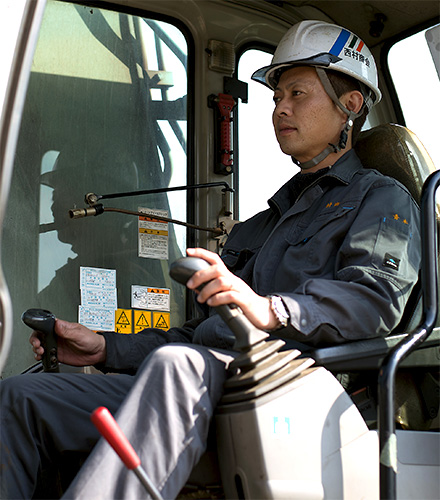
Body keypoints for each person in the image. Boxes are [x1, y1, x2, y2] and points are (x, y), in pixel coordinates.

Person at [0, 20, 421, 500]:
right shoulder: (259, 226)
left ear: (351, 105)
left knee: (179, 365)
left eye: (297, 94)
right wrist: (105, 349)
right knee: (19, 398)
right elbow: (200, 332)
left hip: (295, 387)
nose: (280, 108)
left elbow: (373, 301)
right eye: (276, 97)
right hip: (204, 379)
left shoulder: (381, 199)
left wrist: (269, 309)